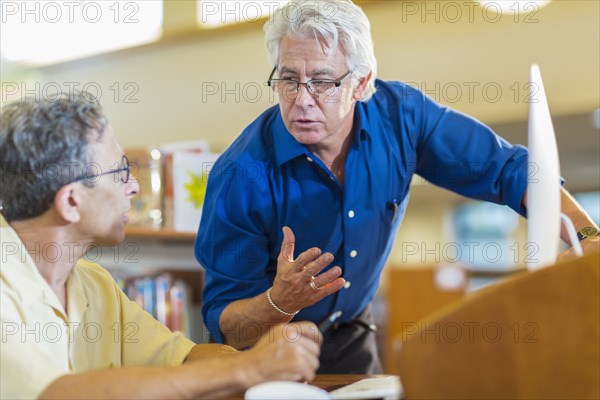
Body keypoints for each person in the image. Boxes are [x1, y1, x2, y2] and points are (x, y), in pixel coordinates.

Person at [195, 0, 600, 374]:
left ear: (361, 82)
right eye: (288, 79)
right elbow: (228, 327)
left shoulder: (402, 116)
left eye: (321, 82)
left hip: (352, 334)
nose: (302, 100)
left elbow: (510, 171)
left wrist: (586, 236)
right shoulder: (239, 175)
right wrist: (278, 303)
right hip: (267, 351)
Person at [0, 92, 322, 400]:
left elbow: (181, 358)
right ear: (71, 201)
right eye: (121, 171)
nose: (134, 186)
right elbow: (55, 394)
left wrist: (273, 364)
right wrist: (249, 367)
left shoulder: (93, 282)